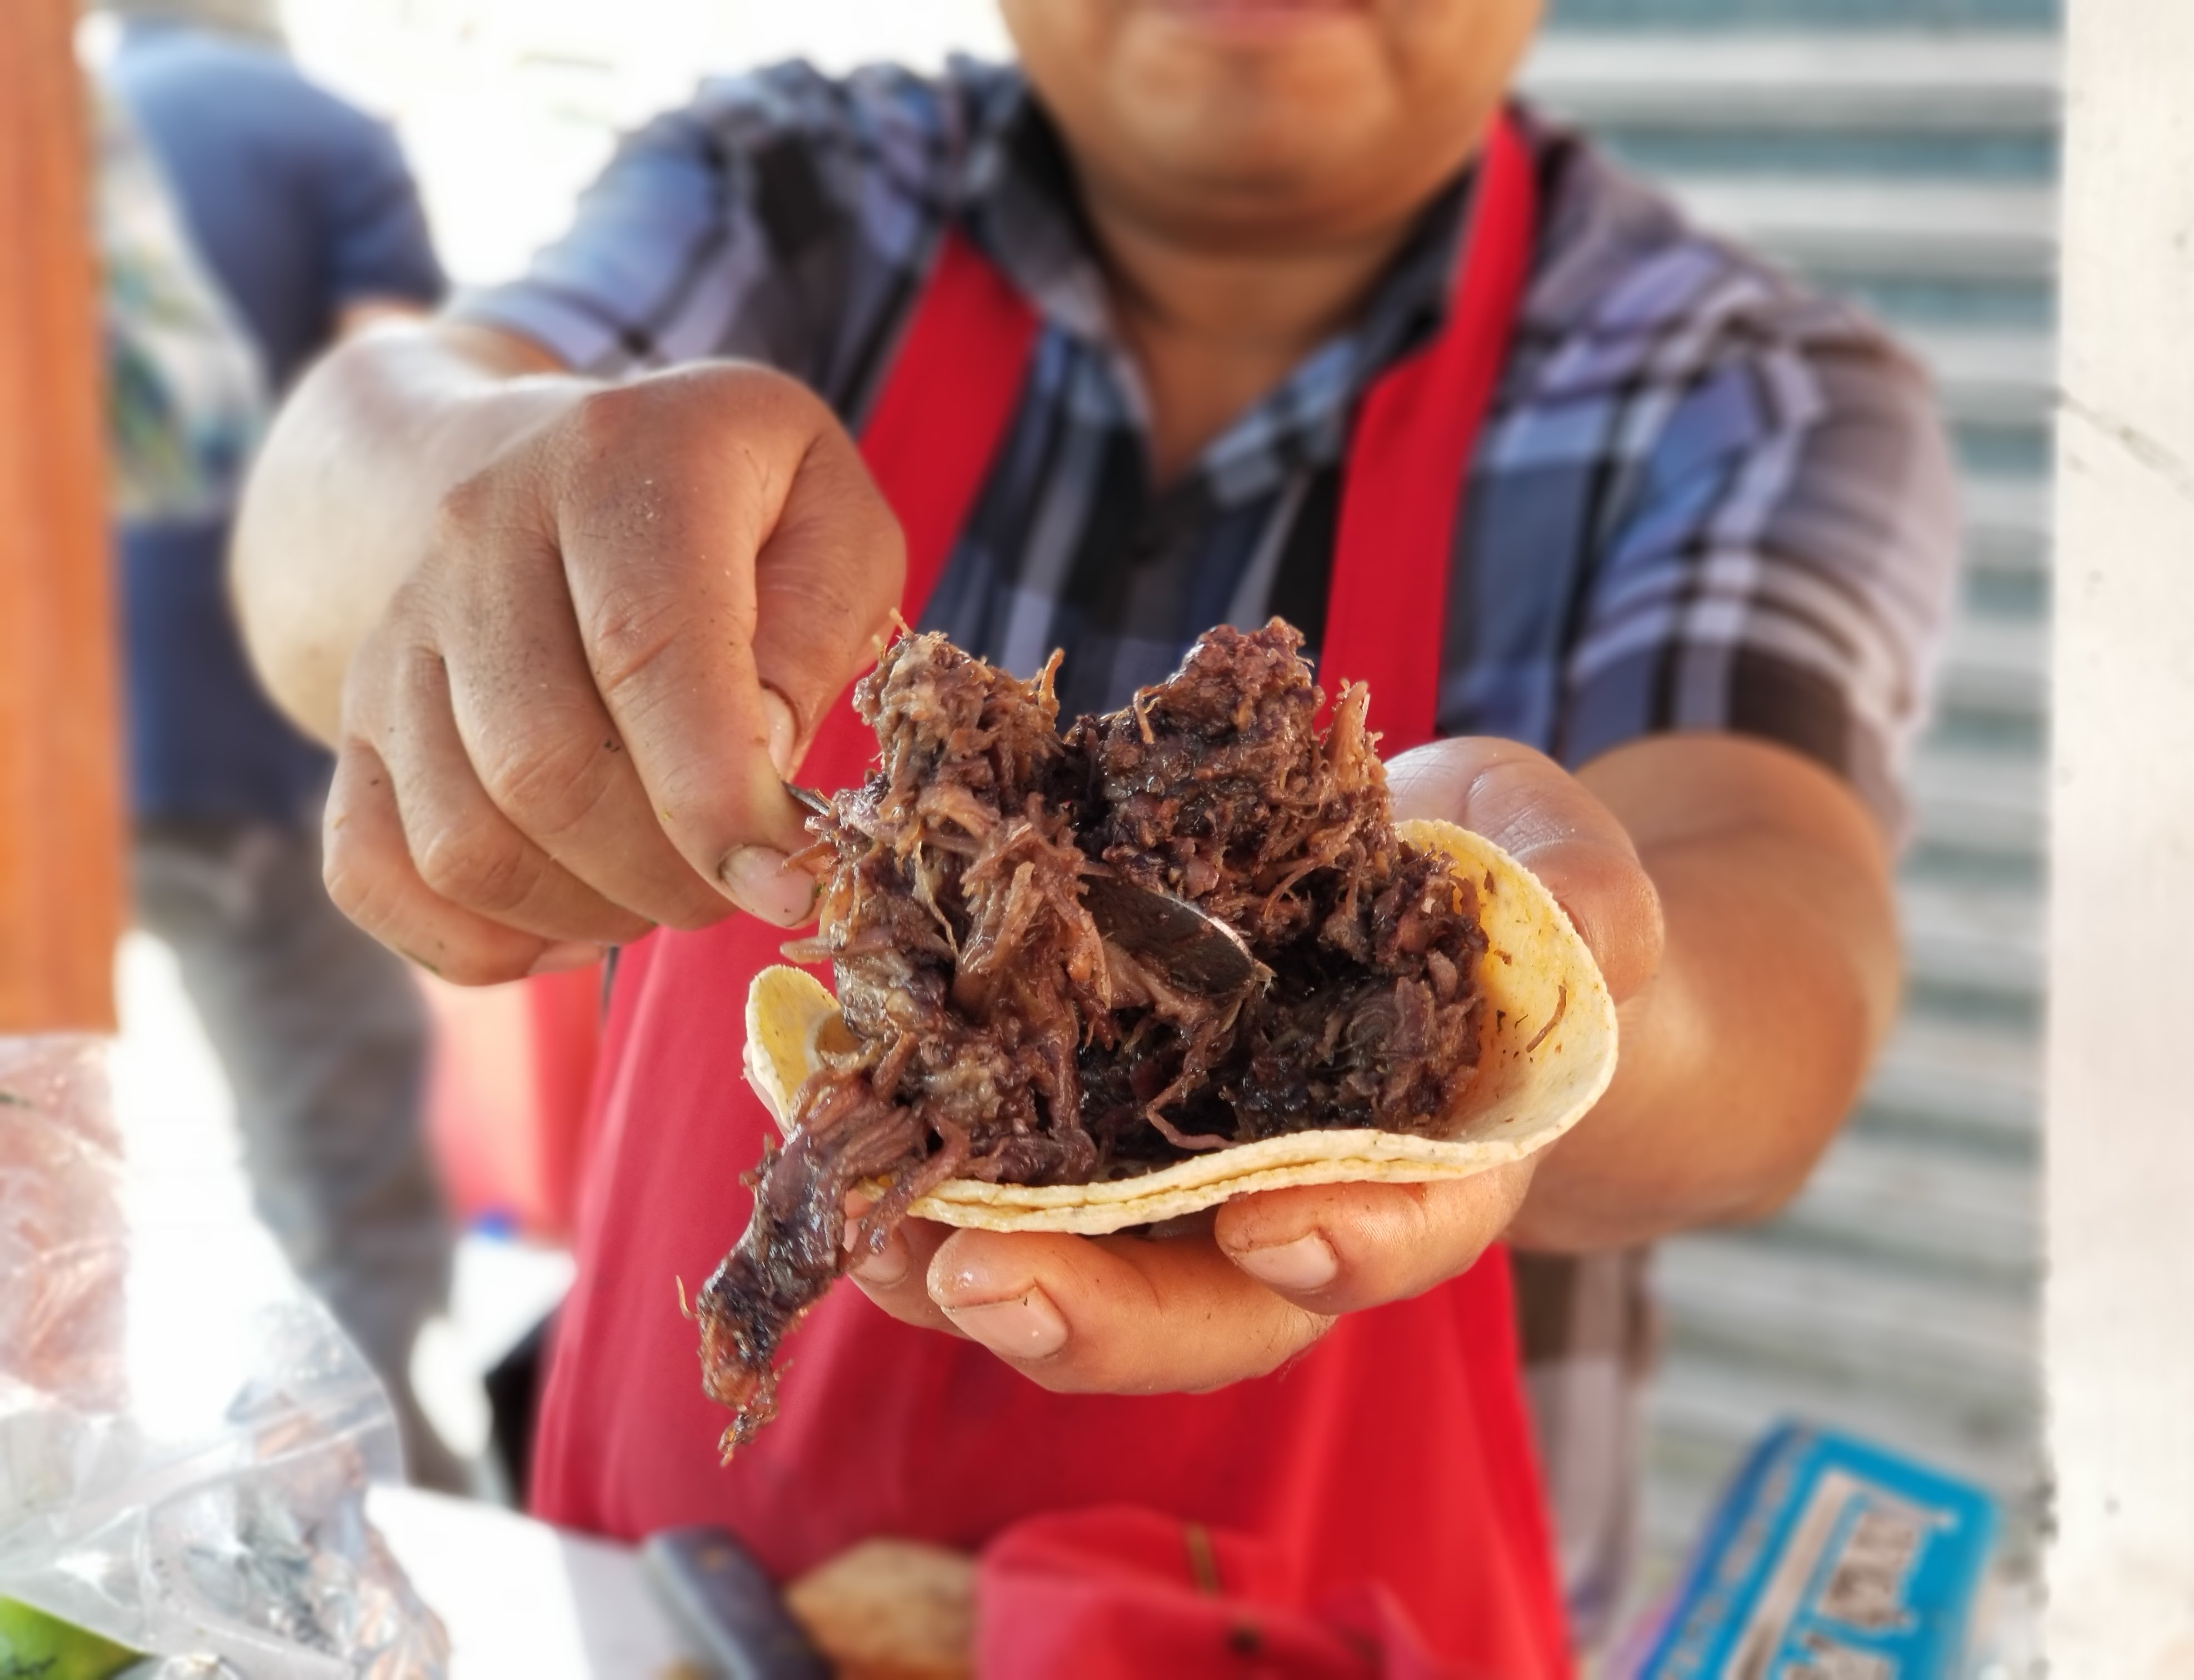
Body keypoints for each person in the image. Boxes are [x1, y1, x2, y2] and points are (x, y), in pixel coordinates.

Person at [233, 0, 1956, 1666]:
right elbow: (341, 470)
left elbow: (1786, 940)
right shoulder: (790, 198)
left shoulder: (1743, 393)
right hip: (682, 1615)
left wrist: (1546, 1005)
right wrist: (496, 514)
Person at [95, 0, 461, 1488]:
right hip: (245, 746)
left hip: (53, 744)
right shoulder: (324, 137)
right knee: (340, 1188)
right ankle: (373, 1540)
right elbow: (415, 446)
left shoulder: (56, 138)